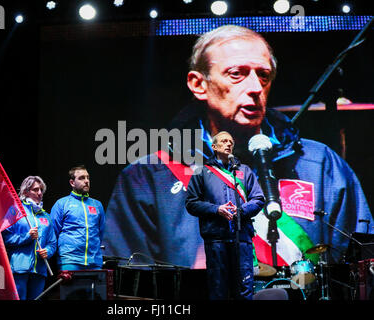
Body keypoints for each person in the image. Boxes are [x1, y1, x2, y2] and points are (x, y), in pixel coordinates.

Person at [103, 25, 373, 273]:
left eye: (264, 76)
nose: (255, 88)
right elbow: (129, 283)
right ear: (199, 84)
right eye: (237, 74)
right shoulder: (148, 176)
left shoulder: (321, 164)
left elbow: (361, 265)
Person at [185, 131, 265, 299]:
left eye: (231, 141)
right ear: (214, 147)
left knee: (245, 288)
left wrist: (241, 211)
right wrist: (216, 209)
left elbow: (258, 199)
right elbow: (191, 203)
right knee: (218, 289)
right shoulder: (202, 172)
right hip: (216, 239)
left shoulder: (244, 171)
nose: (228, 144)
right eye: (223, 141)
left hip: (242, 238)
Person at [2, 175, 57, 300]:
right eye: (35, 190)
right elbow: (5, 238)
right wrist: (27, 237)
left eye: (41, 190)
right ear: (26, 191)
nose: (39, 193)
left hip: (40, 270)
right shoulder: (15, 211)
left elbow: (52, 243)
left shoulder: (46, 216)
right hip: (19, 269)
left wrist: (47, 251)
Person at [50, 165, 105, 278]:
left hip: (94, 261)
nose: (86, 181)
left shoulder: (97, 205)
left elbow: (101, 232)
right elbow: (52, 233)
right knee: (71, 295)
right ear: (72, 182)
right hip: (70, 260)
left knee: (93, 295)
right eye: (81, 178)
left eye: (87, 178)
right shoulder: (62, 204)